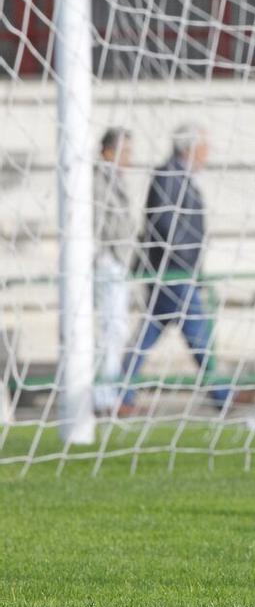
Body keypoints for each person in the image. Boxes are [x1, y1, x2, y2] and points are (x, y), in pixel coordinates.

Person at [120, 123, 249, 411]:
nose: (207, 153)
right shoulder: (167, 175)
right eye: (204, 147)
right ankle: (221, 395)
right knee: (198, 333)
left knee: (151, 332)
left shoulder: (181, 176)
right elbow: (165, 224)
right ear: (189, 149)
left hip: (178, 272)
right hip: (173, 272)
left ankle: (122, 392)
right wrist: (184, 261)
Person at [93, 128, 138, 416]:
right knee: (109, 331)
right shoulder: (97, 179)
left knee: (116, 330)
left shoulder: (113, 178)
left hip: (117, 263)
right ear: (109, 152)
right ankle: (103, 398)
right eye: (125, 152)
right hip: (106, 263)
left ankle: (108, 394)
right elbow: (99, 223)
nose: (129, 159)